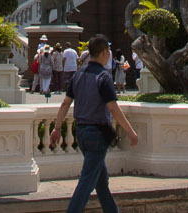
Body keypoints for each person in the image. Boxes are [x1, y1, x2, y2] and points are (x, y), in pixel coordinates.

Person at [45, 34, 130, 213]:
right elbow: (113, 108)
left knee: (100, 182)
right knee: (86, 183)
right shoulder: (103, 77)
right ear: (104, 52)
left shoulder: (78, 75)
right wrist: (131, 132)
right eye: (108, 50)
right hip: (97, 135)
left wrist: (57, 128)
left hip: (82, 134)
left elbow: (65, 103)